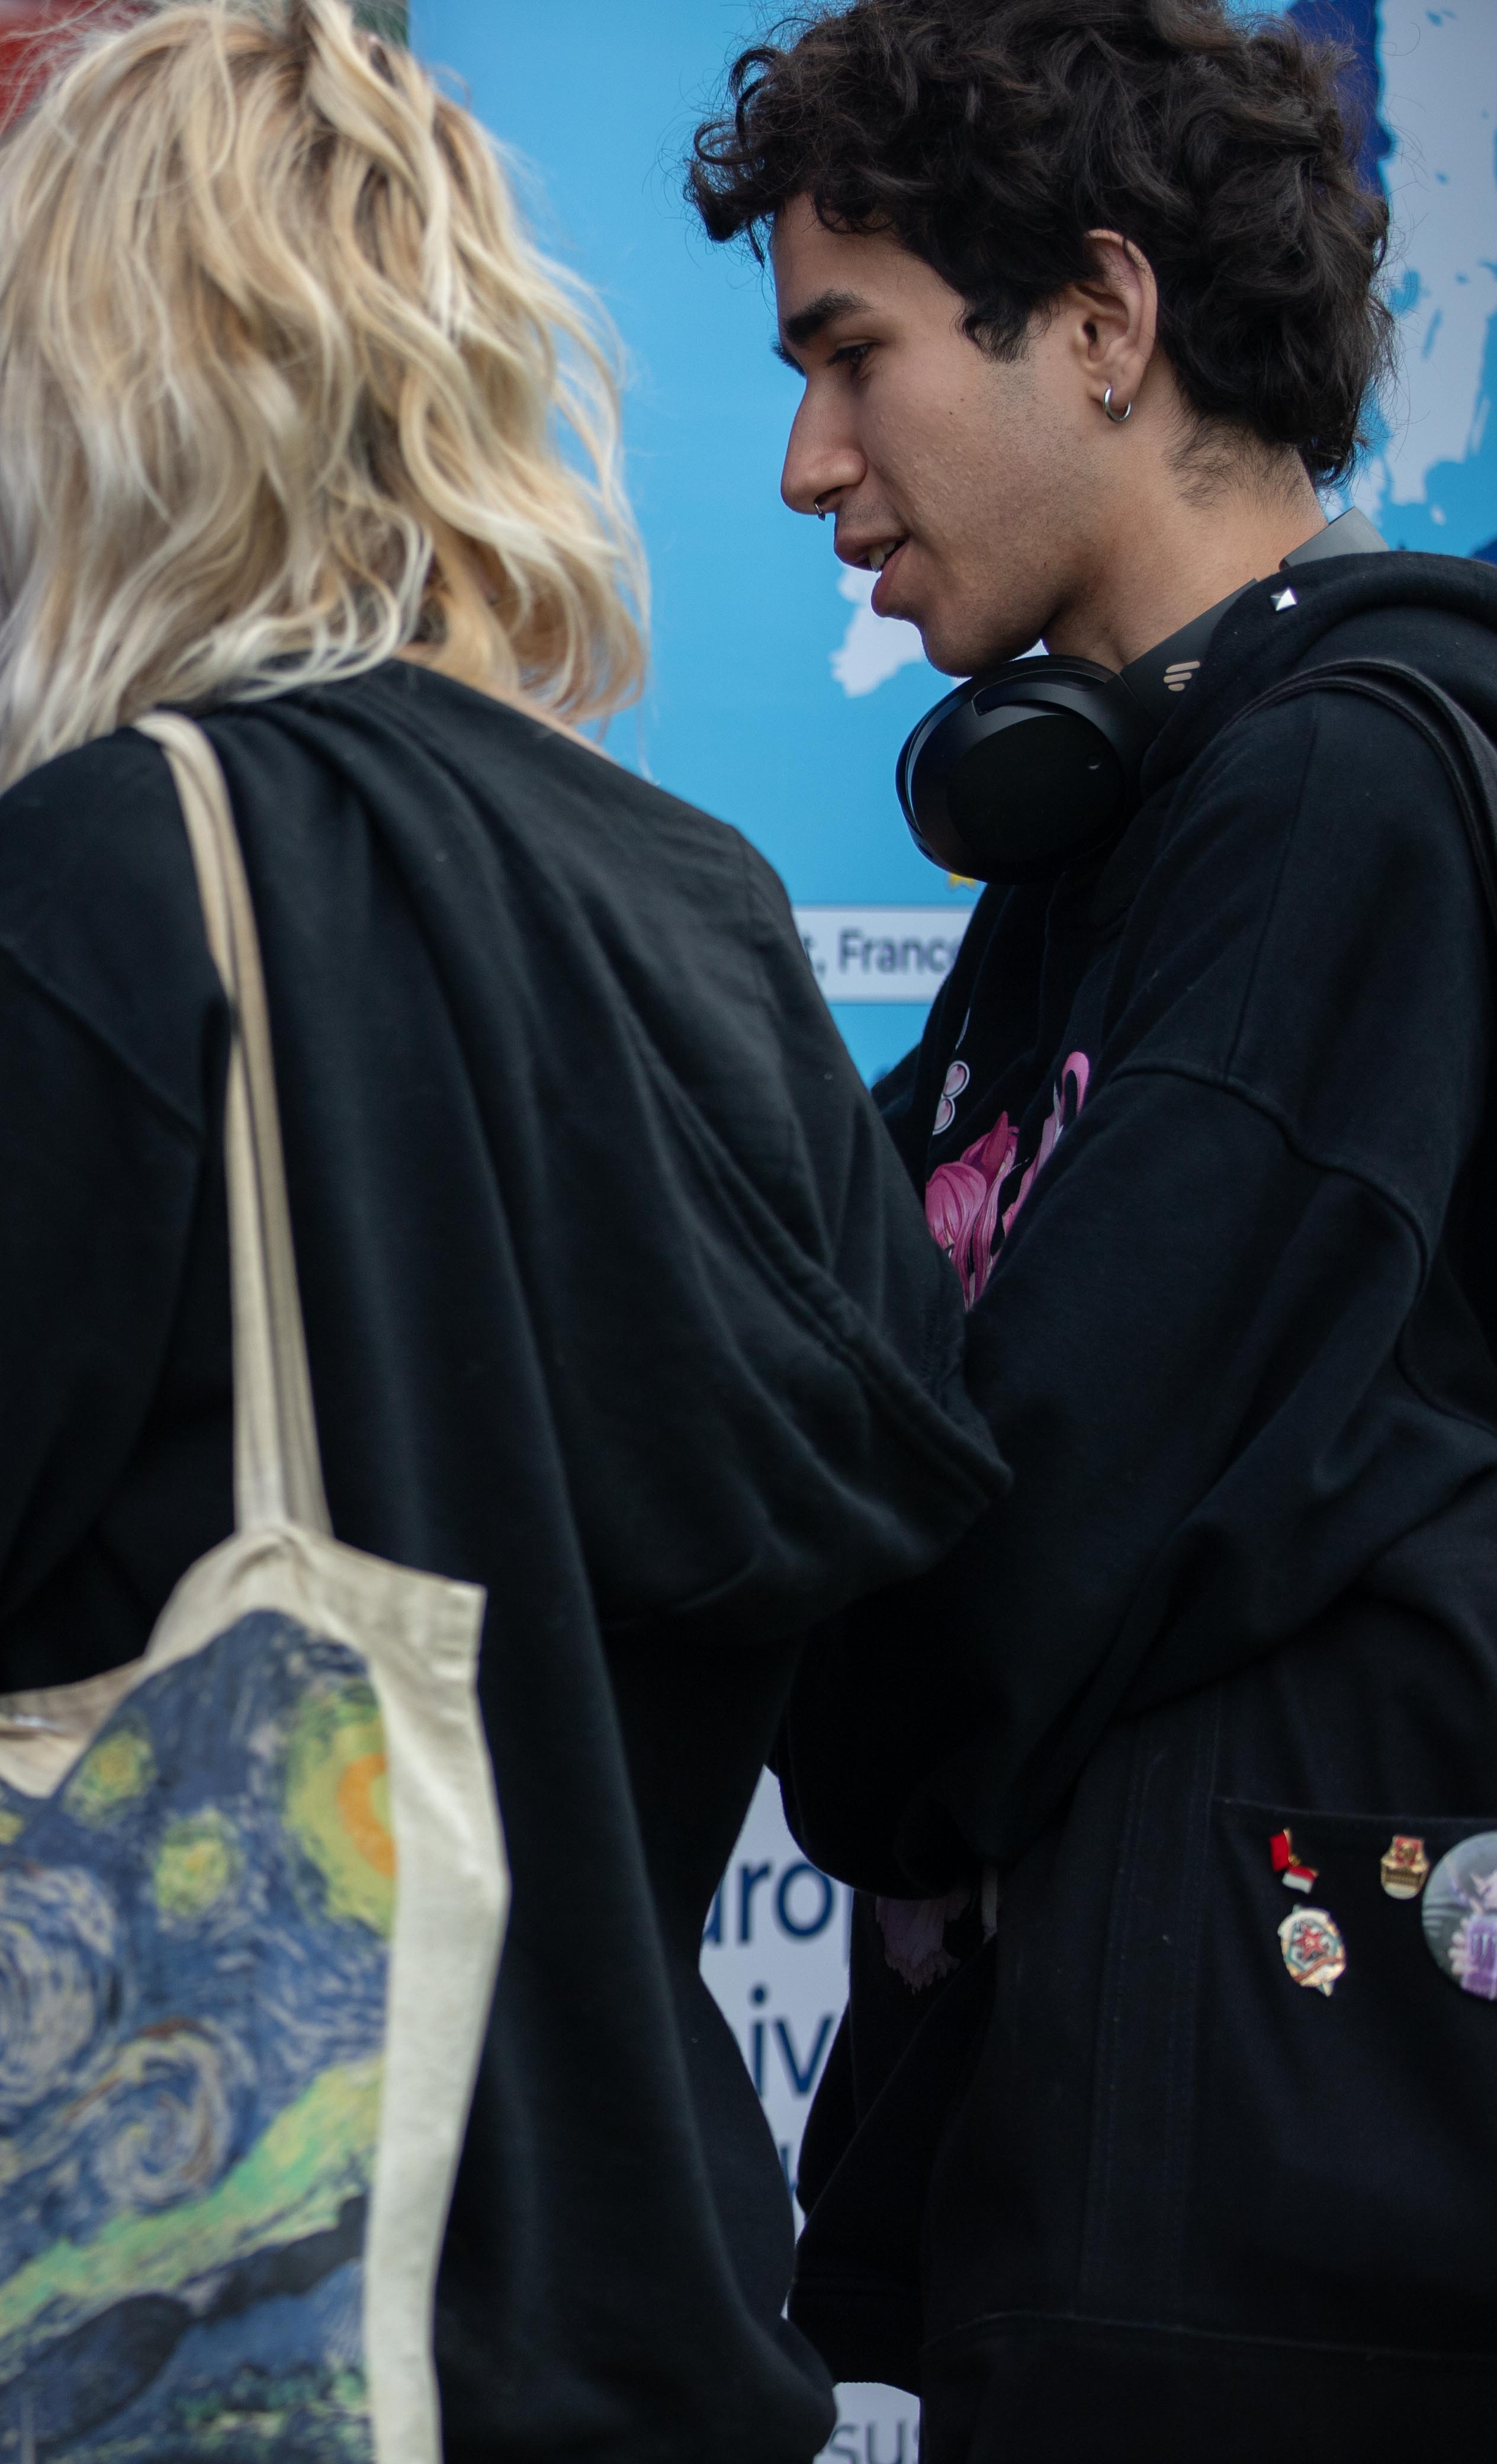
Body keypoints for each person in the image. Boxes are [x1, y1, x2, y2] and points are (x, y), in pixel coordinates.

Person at [0, 4, 1001, 2455]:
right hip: (660, 2294)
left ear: (76, 400)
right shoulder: (704, 908)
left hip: (229, 2321)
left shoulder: (127, 867)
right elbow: (830, 1552)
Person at [692, 3, 1497, 2446]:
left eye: (856, 354)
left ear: (1108, 320)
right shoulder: (1122, 820)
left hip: (1279, 2250)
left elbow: (1053, 1484)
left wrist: (864, 1736)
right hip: (1138, 2184)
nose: (812, 462)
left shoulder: (1333, 797)